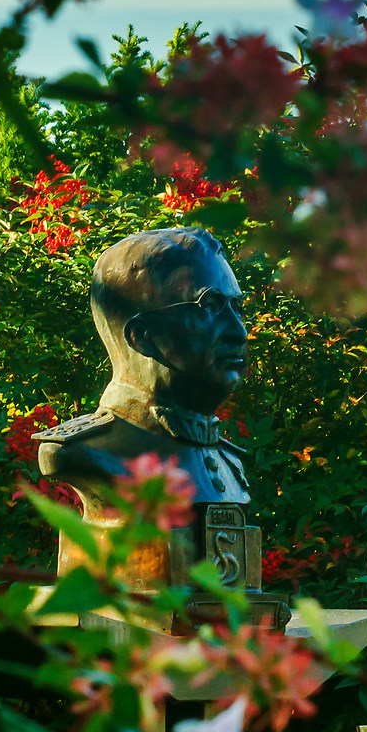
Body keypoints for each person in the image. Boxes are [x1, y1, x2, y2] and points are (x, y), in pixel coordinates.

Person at [37, 226, 259, 593]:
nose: (239, 332)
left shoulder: (227, 460)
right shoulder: (87, 451)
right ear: (143, 336)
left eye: (237, 309)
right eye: (210, 307)